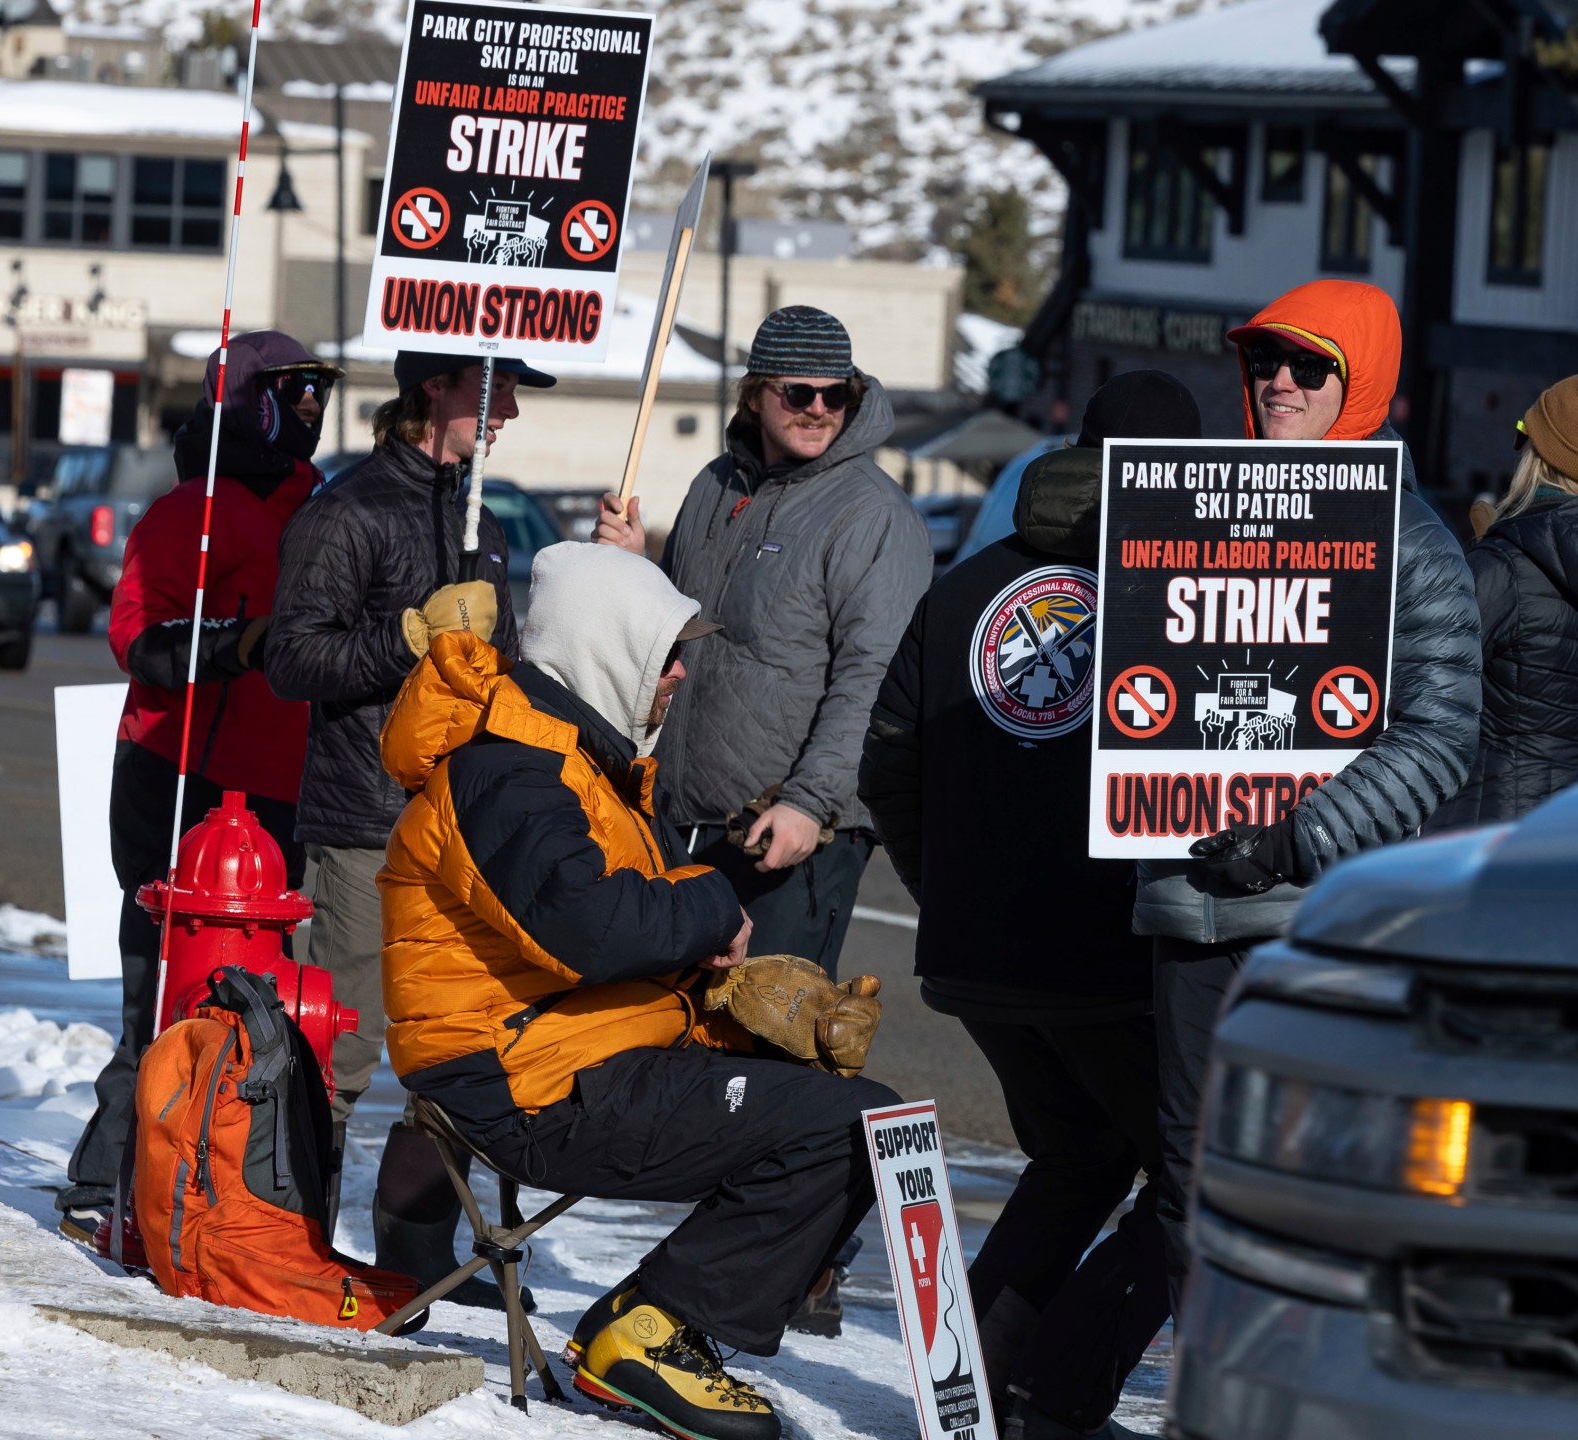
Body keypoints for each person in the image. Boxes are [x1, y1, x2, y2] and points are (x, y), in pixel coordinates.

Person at [378, 543, 894, 1440]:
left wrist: (725, 1004)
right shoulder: (512, 771)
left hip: (566, 1052)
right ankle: (651, 1334)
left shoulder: (572, 763)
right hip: (522, 1083)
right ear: (606, 649)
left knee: (856, 1110)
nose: (681, 672)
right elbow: (587, 929)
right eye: (666, 652)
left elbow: (591, 937)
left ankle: (663, 1323)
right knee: (846, 1130)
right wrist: (710, 904)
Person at [862, 371, 1198, 1440]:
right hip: (1106, 958)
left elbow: (889, 766)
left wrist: (945, 889)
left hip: (975, 956)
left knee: (1082, 1155)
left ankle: (977, 1395)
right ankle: (1048, 1395)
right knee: (1201, 1181)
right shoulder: (1167, 594)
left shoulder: (964, 588)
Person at [1137, 280, 1482, 1311]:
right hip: (1189, 904)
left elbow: (1439, 736)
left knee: (1311, 1182)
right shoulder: (1192, 511)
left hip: (1319, 914)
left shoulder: (1410, 543)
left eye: (1307, 365)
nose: (1278, 382)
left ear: (1361, 379)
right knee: (1186, 1182)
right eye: (1262, 363)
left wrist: (1298, 839)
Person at [267, 349, 540, 1297]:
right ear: (436, 388)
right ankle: (294, 1250)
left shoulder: (485, 521)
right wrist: (409, 637)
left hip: (462, 835)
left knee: (463, 1050)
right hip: (363, 826)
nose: (507, 410)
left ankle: (426, 1250)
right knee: (336, 1055)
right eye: (493, 389)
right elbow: (292, 661)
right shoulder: (347, 511)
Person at [58, 331, 338, 1238]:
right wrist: (235, 641)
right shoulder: (189, 512)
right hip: (175, 777)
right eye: (292, 389)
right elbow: (140, 643)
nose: (310, 405)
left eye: (318, 390)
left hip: (279, 791)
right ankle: (105, 1186)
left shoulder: (319, 506)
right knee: (162, 996)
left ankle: (222, 1188)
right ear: (244, 399)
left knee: (262, 1008)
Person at [595, 306, 930, 984]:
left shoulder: (873, 514)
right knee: (672, 1033)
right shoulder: (716, 485)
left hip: (790, 829)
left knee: (765, 1046)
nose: (817, 409)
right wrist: (633, 570)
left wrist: (810, 802)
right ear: (755, 394)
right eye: (796, 392)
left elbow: (873, 681)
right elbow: (677, 630)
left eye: (834, 394)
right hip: (683, 820)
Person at [1431, 375, 1578, 830]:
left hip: (1491, 827)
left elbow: (1422, 682)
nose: (1518, 447)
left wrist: (1481, 564)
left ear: (1545, 457)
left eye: (1525, 433)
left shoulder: (1504, 567)